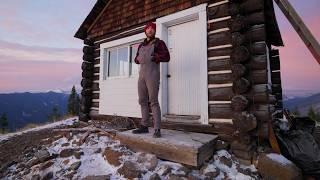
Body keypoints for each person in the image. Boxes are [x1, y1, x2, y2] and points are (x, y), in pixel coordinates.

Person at [132, 21, 170, 138]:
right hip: (141, 76)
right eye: (148, 28)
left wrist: (156, 57)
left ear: (154, 31)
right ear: (145, 31)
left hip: (152, 75)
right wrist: (137, 59)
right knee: (142, 100)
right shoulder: (141, 45)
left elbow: (167, 57)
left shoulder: (159, 43)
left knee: (153, 101)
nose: (150, 30)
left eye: (152, 28)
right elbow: (136, 59)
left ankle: (157, 129)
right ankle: (144, 126)